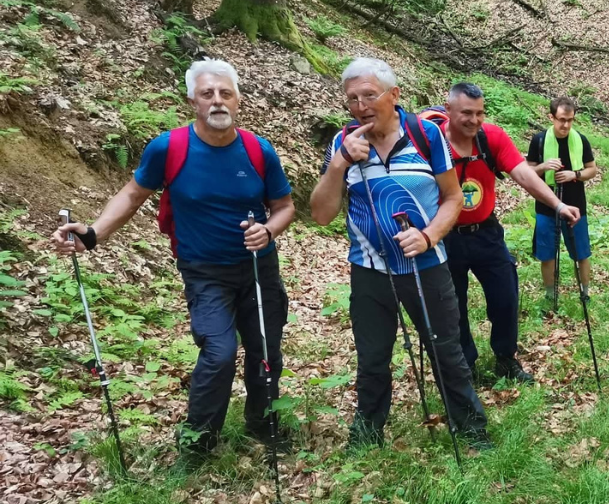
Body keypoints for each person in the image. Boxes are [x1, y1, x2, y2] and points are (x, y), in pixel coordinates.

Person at [50, 59, 296, 459]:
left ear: (238, 101)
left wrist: (268, 230)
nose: (217, 100)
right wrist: (93, 234)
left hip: (257, 267)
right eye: (207, 93)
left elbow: (284, 206)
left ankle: (262, 422)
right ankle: (198, 442)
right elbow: (132, 196)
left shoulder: (257, 150)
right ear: (192, 101)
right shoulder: (169, 148)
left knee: (265, 348)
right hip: (204, 271)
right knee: (219, 352)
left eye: (225, 93)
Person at [309, 58, 490, 450]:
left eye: (370, 95)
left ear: (394, 95)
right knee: (372, 359)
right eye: (352, 98)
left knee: (447, 352)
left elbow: (453, 197)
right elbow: (321, 215)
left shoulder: (426, 135)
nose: (360, 106)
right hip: (369, 271)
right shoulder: (342, 144)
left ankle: (472, 430)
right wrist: (339, 163)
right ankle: (367, 435)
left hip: (427, 267)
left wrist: (427, 236)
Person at [437, 83, 581, 383]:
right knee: (453, 305)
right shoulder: (431, 142)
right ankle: (466, 364)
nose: (474, 120)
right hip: (444, 236)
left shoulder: (492, 137)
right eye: (466, 113)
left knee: (505, 296)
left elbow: (524, 174)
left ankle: (505, 357)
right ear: (448, 109)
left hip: (486, 232)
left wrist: (557, 205)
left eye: (479, 113)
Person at [525, 96, 599, 300]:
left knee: (581, 253)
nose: (566, 124)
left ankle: (585, 294)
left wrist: (574, 174)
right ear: (551, 117)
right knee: (547, 254)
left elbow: (592, 169)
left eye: (570, 120)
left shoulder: (581, 140)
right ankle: (550, 295)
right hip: (546, 205)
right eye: (561, 119)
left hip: (576, 205)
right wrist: (544, 166)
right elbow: (527, 171)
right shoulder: (539, 140)